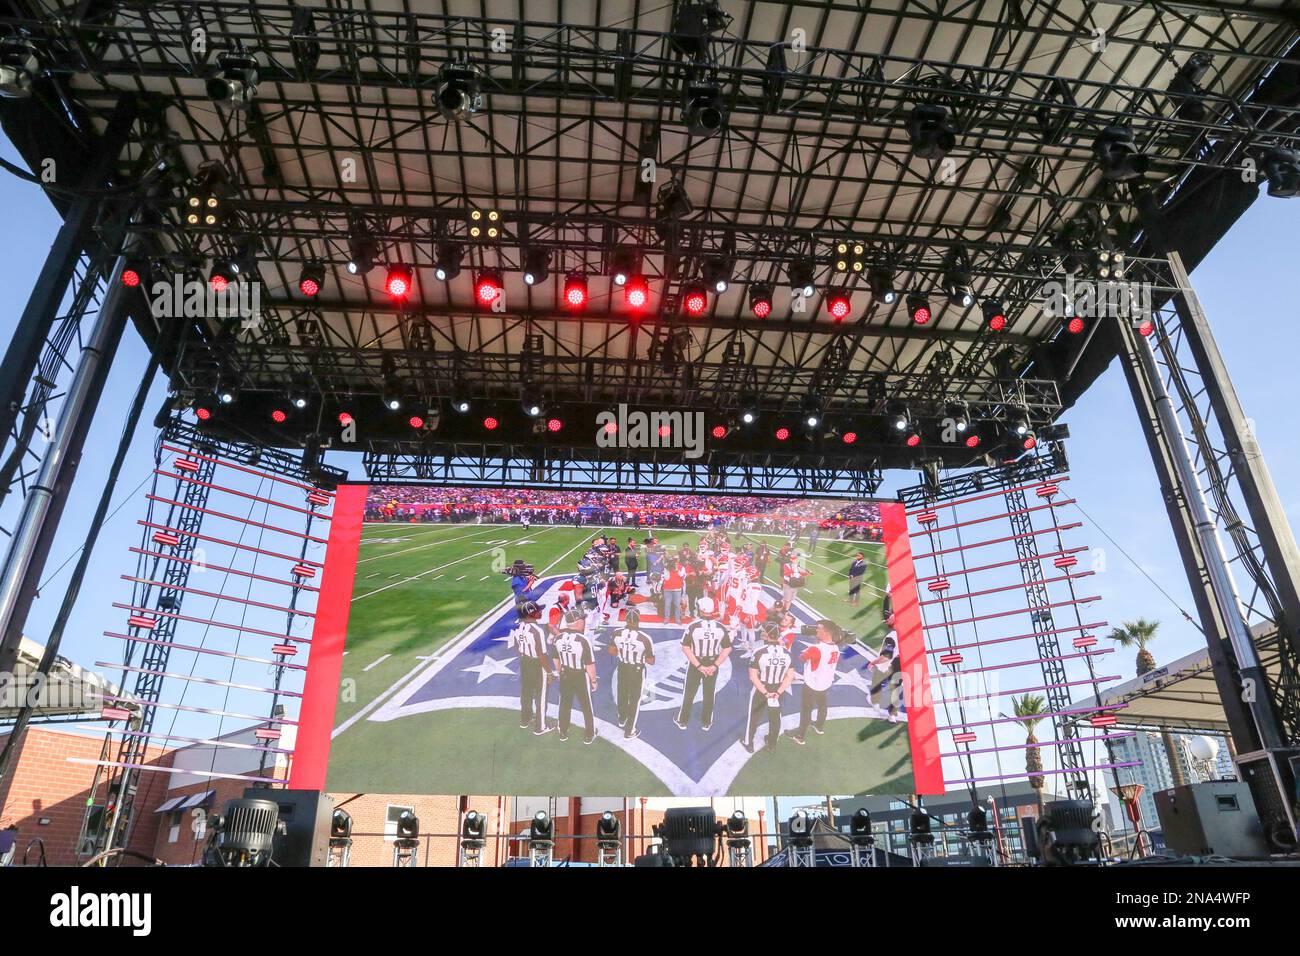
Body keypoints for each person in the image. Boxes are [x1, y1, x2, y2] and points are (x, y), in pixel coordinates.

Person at [674, 596, 731, 731]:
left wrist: (699, 666)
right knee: (709, 693)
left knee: (689, 692)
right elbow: (727, 648)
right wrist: (714, 665)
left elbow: (685, 647)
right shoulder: (721, 627)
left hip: (696, 662)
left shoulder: (693, 626)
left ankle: (683, 720)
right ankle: (706, 722)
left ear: (701, 609)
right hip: (712, 663)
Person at [743, 622, 795, 753]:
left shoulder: (759, 652)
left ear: (768, 635)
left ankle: (748, 743)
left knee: (754, 716)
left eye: (764, 631)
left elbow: (753, 677)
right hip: (778, 689)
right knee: (775, 717)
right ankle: (772, 744)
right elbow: (790, 676)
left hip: (762, 688)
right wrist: (777, 692)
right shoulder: (787, 653)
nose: (761, 633)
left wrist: (766, 693)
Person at [789, 620, 841, 744]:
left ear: (826, 632)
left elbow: (802, 657)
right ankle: (819, 726)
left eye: (818, 628)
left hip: (813, 684)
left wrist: (815, 644)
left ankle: (800, 735)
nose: (816, 630)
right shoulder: (835, 647)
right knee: (822, 705)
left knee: (806, 710)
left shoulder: (816, 648)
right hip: (826, 683)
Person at [553, 609, 599, 743]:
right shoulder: (583, 640)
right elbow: (589, 665)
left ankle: (563, 731)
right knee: (586, 705)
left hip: (565, 673)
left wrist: (560, 672)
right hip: (580, 676)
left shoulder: (558, 637)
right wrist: (594, 681)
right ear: (578, 622)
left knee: (564, 703)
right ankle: (589, 734)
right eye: (582, 620)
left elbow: (556, 659)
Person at [509, 600, 555, 735]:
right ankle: (540, 727)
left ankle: (525, 719)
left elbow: (516, 646)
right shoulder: (537, 630)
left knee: (526, 692)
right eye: (538, 610)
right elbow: (541, 654)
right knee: (541, 695)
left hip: (524, 662)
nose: (540, 612)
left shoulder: (519, 627)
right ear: (531, 614)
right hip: (537, 665)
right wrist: (549, 671)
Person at [609, 609, 655, 739]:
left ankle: (622, 719)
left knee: (622, 694)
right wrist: (639, 656)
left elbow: (612, 651)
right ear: (638, 620)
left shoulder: (616, 633)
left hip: (622, 666)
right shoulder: (645, 638)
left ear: (626, 620)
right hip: (636, 669)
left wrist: (623, 652)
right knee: (635, 699)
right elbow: (651, 661)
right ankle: (630, 731)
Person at [864, 629, 902, 723]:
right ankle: (892, 714)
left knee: (878, 683)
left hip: (886, 666)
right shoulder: (911, 636)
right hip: (900, 666)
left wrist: (873, 662)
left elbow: (886, 656)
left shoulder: (892, 636)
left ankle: (875, 701)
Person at [662, 557, 685, 624]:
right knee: (667, 605)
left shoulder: (682, 567)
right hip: (667, 589)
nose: (675, 563)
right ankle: (666, 619)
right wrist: (667, 569)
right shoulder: (667, 567)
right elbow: (666, 578)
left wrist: (677, 570)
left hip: (677, 589)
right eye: (673, 561)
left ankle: (677, 619)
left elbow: (681, 575)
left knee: (677, 605)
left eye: (676, 561)